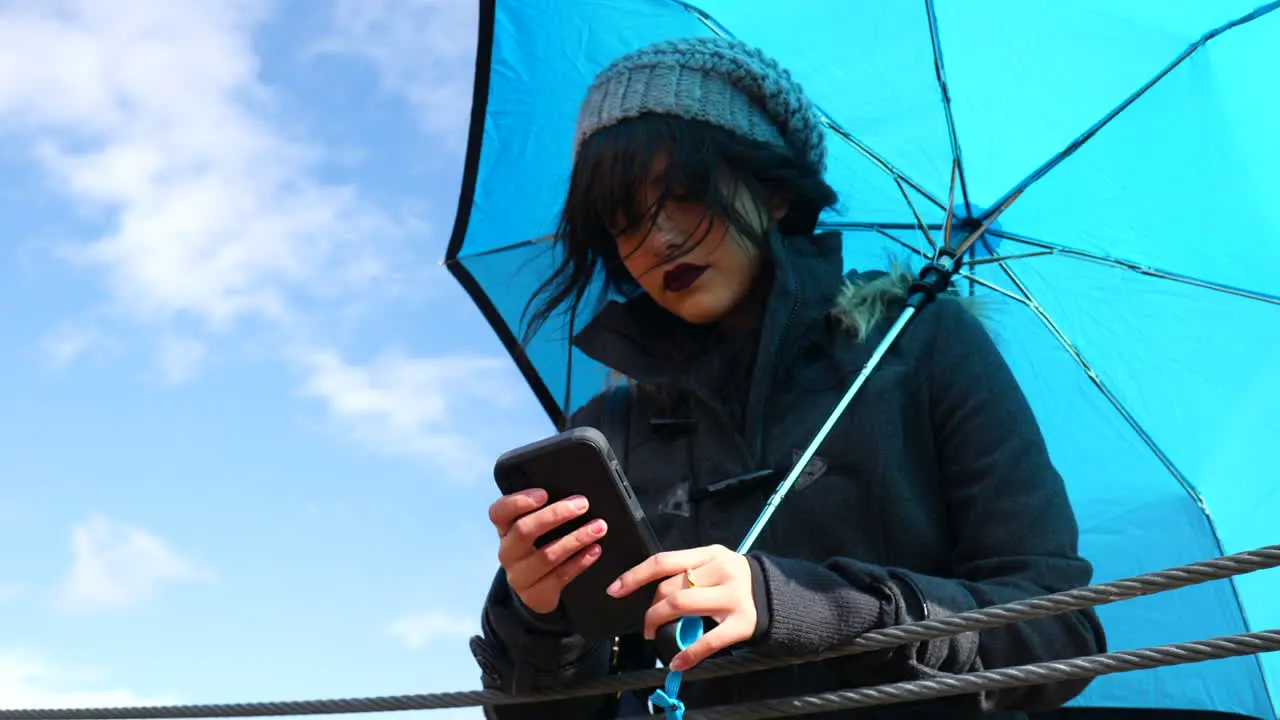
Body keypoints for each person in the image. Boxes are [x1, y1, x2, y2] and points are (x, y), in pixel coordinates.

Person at [469, 36, 1107, 719]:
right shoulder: (608, 431)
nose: (660, 239)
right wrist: (541, 618)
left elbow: (1059, 629)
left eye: (685, 194)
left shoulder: (923, 345)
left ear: (771, 192)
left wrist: (801, 607)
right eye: (625, 221)